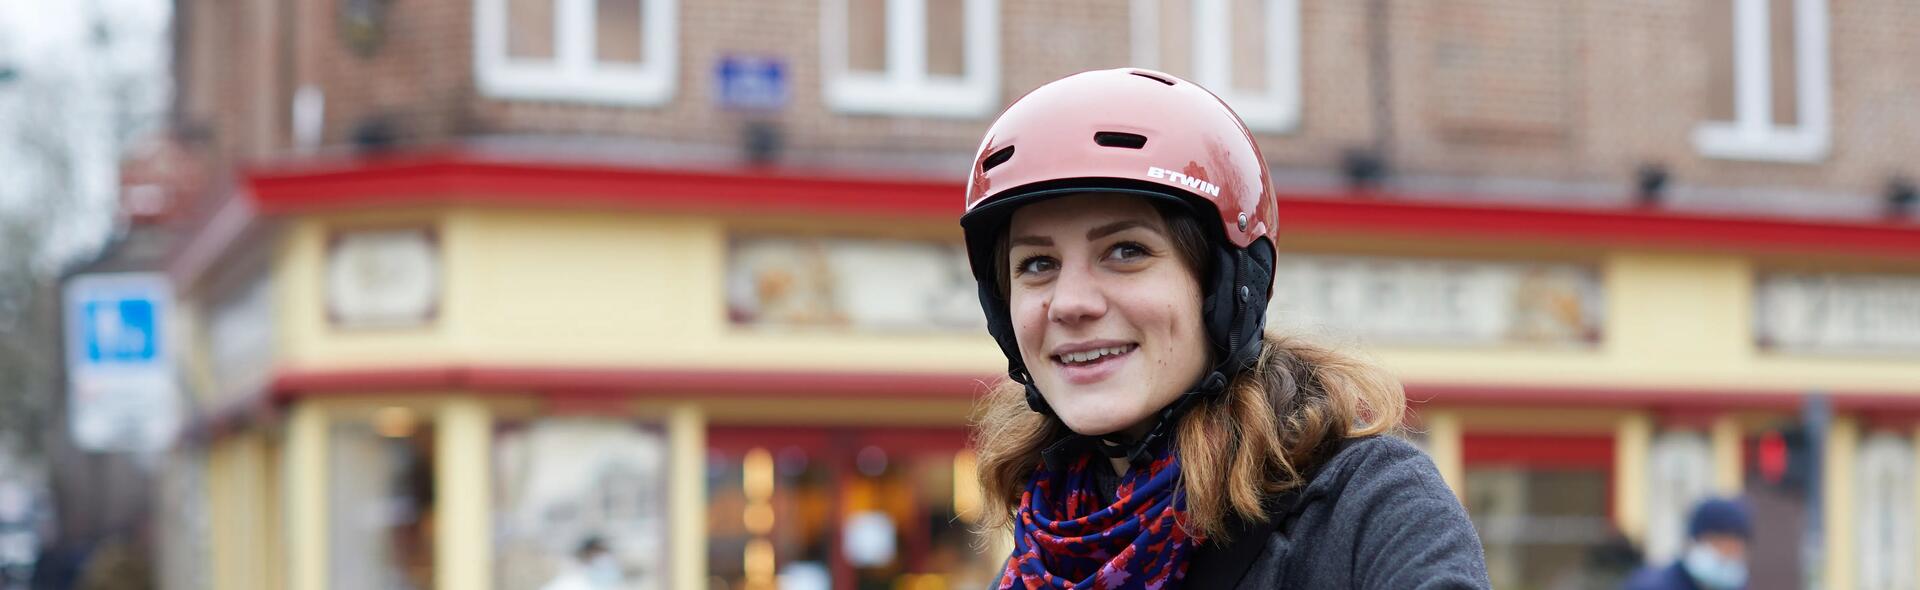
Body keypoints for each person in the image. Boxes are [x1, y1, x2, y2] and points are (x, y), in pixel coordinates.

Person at [961, 68, 1490, 589]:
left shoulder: (1370, 507)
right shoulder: (1039, 562)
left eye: (1126, 251)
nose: (1070, 304)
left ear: (1225, 288)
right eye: (1036, 264)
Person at [1623, 498, 1750, 590]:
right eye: (1719, 543)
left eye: (1735, 547)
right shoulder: (1650, 585)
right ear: (1692, 542)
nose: (1727, 554)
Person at [539, 536, 621, 590]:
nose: (604, 559)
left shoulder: (608, 584)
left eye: (606, 553)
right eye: (598, 553)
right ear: (585, 555)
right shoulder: (568, 584)